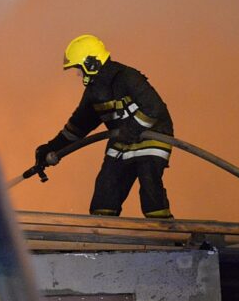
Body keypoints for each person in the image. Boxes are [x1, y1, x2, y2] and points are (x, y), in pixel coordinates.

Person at [35, 34, 175, 218]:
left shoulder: (127, 77)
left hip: (153, 137)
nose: (78, 74)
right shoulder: (94, 92)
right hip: (121, 141)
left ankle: (165, 232)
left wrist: (131, 129)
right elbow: (77, 128)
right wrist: (50, 148)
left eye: (79, 68)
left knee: (150, 188)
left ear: (91, 63)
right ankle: (102, 231)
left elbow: (154, 109)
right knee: (105, 193)